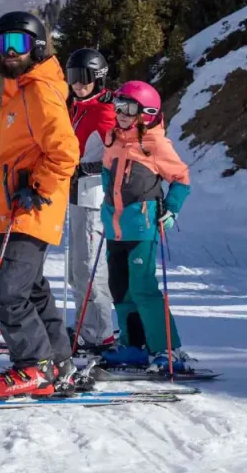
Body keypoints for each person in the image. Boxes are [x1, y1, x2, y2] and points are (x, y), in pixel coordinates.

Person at [0, 11, 80, 398]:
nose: (8, 53)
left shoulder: (38, 91)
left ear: (36, 47)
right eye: (1, 45)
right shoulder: (16, 96)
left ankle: (33, 366)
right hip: (11, 213)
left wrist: (36, 187)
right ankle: (57, 364)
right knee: (32, 290)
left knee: (7, 295)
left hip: (29, 211)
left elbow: (66, 151)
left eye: (17, 45)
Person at [96, 81, 192, 374]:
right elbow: (107, 173)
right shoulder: (113, 138)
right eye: (118, 106)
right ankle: (133, 345)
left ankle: (167, 349)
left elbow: (181, 178)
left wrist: (171, 210)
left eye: (128, 109)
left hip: (142, 225)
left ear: (147, 113)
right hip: (115, 227)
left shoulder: (156, 143)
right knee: (120, 288)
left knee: (143, 288)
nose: (121, 114)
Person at [64, 48, 117, 354]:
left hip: (92, 195)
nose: (78, 85)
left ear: (98, 78)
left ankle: (100, 334)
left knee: (89, 267)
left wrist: (90, 166)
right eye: (73, 78)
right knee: (75, 270)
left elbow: (119, 150)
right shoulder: (77, 107)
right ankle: (87, 326)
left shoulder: (105, 109)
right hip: (75, 193)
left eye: (84, 78)